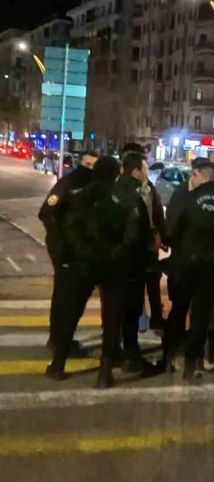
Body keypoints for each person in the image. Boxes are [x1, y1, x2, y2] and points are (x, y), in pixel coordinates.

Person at [45, 157, 139, 388]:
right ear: (116, 174)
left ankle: (58, 364)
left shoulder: (80, 197)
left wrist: (73, 255)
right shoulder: (125, 200)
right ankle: (105, 373)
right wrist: (115, 254)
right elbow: (131, 235)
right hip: (113, 266)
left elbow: (67, 230)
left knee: (71, 313)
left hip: (82, 264)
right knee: (111, 318)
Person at [162, 158, 214, 379]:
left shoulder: (189, 198)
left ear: (205, 177)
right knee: (201, 316)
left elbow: (171, 229)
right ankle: (192, 363)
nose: (191, 178)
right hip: (211, 268)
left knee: (179, 308)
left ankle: (169, 354)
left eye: (195, 175)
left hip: (185, 263)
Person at [40, 150, 99, 356]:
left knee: (68, 297)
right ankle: (59, 342)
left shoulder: (91, 188)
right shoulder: (67, 184)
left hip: (77, 252)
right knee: (65, 297)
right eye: (87, 165)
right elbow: (46, 212)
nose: (89, 170)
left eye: (94, 166)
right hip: (64, 252)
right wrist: (61, 243)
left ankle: (60, 339)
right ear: (80, 164)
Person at [113, 152, 158, 373]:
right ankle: (131, 356)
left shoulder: (111, 190)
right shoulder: (134, 197)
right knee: (131, 311)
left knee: (114, 312)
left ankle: (112, 354)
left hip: (111, 263)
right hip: (131, 264)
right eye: (144, 169)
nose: (146, 174)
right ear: (136, 171)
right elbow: (138, 233)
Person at [121, 143, 166, 331]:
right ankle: (139, 322)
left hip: (144, 244)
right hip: (137, 245)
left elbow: (157, 213)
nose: (146, 171)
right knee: (138, 286)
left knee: (150, 283)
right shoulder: (133, 189)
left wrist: (161, 236)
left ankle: (153, 318)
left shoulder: (147, 188)